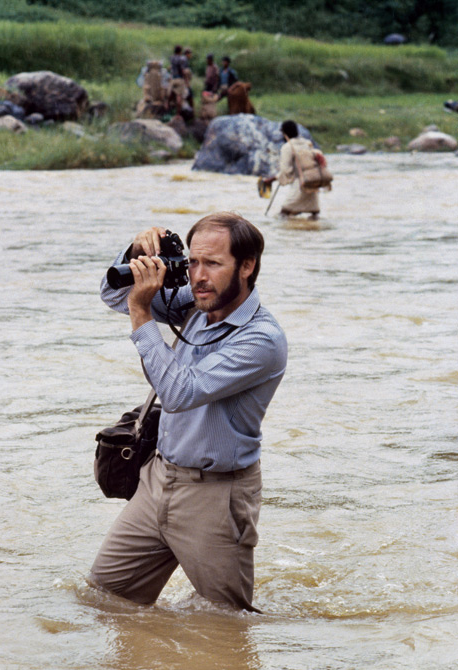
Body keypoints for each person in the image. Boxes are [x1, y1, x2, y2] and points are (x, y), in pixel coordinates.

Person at [89, 212, 288, 612]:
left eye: (213, 264)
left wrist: (143, 312)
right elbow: (113, 296)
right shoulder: (196, 304)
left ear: (247, 266)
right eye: (192, 262)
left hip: (214, 496)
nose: (198, 276)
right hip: (157, 480)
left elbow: (180, 391)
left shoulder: (262, 339)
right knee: (103, 598)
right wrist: (136, 252)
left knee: (227, 625)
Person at [264, 120, 326, 220]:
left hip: (300, 185)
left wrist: (273, 179)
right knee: (314, 214)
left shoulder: (287, 147)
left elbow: (286, 171)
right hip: (312, 184)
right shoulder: (307, 143)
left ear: (284, 133)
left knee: (284, 212)